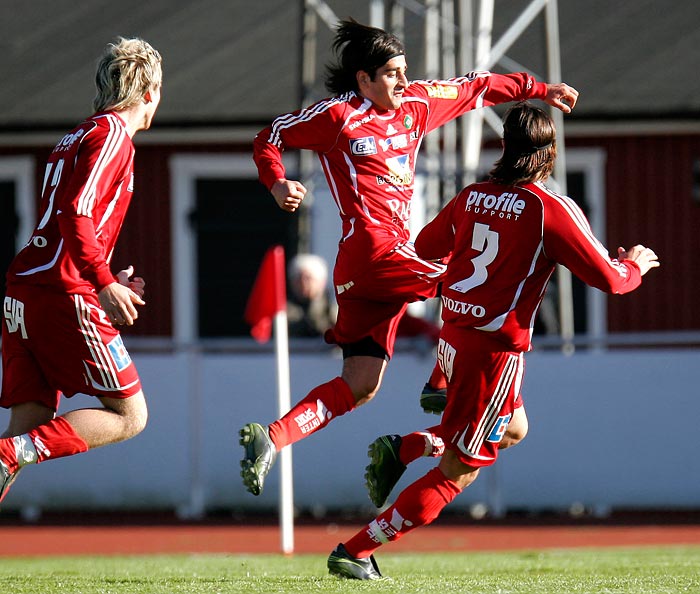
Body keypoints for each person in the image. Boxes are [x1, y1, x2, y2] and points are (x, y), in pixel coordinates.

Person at [240, 18, 579, 498]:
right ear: (364, 79)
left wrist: (539, 88)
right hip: (375, 253)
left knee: (360, 384)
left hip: (372, 271)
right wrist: (276, 182)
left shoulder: (416, 103)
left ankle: (272, 438)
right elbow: (271, 135)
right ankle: (440, 379)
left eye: (404, 70)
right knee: (470, 278)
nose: (403, 80)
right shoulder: (338, 117)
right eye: (392, 73)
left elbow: (477, 87)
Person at [326, 101, 659, 579]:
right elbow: (611, 280)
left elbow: (423, 248)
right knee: (459, 472)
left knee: (515, 428)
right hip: (494, 355)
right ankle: (355, 551)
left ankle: (405, 448)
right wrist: (636, 264)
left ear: (504, 146)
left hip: (454, 338)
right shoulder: (550, 209)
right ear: (551, 153)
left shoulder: (471, 196)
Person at [0, 37, 162, 505]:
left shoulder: (78, 134)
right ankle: (11, 452)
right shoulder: (113, 134)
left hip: (24, 289)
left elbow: (65, 220)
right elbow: (75, 211)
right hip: (60, 290)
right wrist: (104, 281)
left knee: (25, 429)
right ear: (149, 91)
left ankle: (11, 451)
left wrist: (105, 273)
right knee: (131, 415)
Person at [286, 253, 337, 338]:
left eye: (308, 278)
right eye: (298, 278)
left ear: (321, 281)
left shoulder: (334, 309)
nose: (303, 283)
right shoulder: (283, 311)